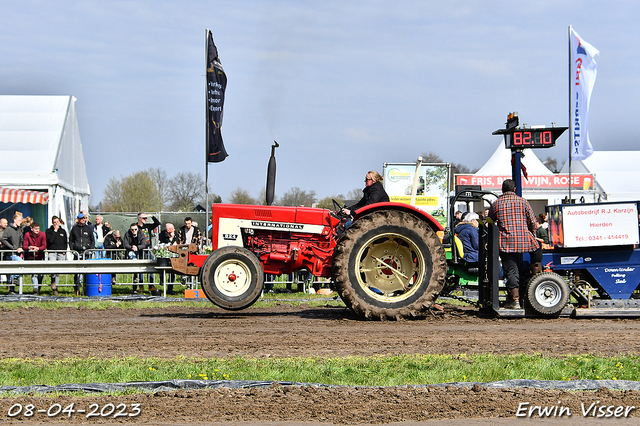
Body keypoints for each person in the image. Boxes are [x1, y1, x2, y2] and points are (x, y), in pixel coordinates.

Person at [488, 179, 542, 309]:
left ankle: (515, 300)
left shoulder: (496, 204)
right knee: (538, 251)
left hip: (506, 242)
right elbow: (533, 223)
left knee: (511, 271)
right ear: (514, 189)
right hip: (524, 240)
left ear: (502, 190)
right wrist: (531, 231)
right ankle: (536, 276)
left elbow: (490, 221)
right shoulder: (523, 202)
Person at [69, 212, 95, 295]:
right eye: (81, 218)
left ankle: (86, 288)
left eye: (84, 218)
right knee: (77, 272)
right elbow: (70, 240)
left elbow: (92, 240)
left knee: (87, 272)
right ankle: (76, 288)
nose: (83, 220)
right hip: (77, 253)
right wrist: (72, 250)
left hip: (86, 253)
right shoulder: (74, 228)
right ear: (78, 219)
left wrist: (90, 249)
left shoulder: (88, 228)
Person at [0, 213, 24, 294]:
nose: (20, 222)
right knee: (20, 263)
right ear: (15, 220)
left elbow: (21, 239)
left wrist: (20, 247)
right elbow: (3, 239)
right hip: (10, 253)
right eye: (19, 220)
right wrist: (12, 247)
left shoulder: (19, 230)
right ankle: (14, 280)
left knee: (13, 271)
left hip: (17, 253)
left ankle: (12, 289)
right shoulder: (8, 229)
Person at [137, 213, 161, 292]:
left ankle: (151, 285)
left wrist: (151, 216)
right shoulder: (135, 227)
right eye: (144, 218)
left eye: (146, 218)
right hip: (140, 249)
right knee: (141, 268)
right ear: (139, 218)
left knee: (150, 267)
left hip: (148, 248)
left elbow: (158, 223)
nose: (145, 219)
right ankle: (141, 285)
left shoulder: (147, 226)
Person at [45, 216, 67, 296]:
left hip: (61, 252)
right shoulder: (49, 231)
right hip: (52, 251)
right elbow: (50, 240)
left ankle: (56, 285)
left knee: (59, 269)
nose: (56, 224)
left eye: (57, 222)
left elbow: (65, 241)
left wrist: (64, 250)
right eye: (54, 222)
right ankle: (53, 282)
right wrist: (55, 231)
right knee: (53, 268)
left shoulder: (63, 231)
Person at [123, 223, 147, 293]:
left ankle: (141, 286)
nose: (134, 231)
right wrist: (131, 248)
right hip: (131, 252)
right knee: (131, 255)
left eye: (135, 229)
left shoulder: (141, 234)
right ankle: (135, 288)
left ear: (138, 229)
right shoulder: (127, 234)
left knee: (141, 271)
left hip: (140, 253)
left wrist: (137, 248)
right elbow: (126, 244)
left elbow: (143, 244)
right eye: (132, 229)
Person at [23, 221, 46, 294]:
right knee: (34, 273)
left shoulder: (42, 234)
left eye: (38, 228)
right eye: (35, 229)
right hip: (31, 257)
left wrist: (38, 248)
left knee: (41, 274)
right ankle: (35, 289)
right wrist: (29, 248)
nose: (37, 230)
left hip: (40, 256)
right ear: (31, 228)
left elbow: (44, 245)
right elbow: (24, 246)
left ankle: (38, 287)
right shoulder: (27, 235)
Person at [158, 223, 179, 295]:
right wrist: (170, 239)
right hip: (164, 257)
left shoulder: (176, 233)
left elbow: (177, 242)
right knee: (162, 270)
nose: (174, 230)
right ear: (168, 230)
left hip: (173, 256)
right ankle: (162, 280)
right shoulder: (162, 234)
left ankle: (170, 288)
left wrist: (173, 238)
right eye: (172, 229)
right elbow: (164, 243)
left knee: (172, 273)